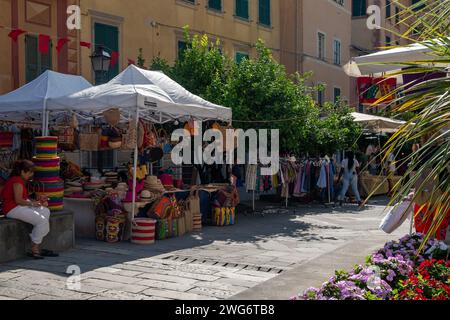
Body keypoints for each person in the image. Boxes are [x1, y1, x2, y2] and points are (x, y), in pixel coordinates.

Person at [1, 160, 58, 259]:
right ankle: (35, 248)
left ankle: (35, 238)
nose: (31, 175)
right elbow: (18, 200)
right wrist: (33, 203)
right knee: (42, 221)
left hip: (18, 206)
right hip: (12, 209)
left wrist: (37, 201)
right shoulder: (17, 181)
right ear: (22, 171)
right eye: (30, 172)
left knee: (45, 211)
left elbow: (23, 199)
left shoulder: (20, 180)